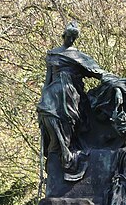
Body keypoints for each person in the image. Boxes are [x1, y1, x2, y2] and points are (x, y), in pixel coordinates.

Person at [38, 22, 108, 181]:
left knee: (68, 130)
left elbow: (99, 73)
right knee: (53, 130)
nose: (70, 39)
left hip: (71, 96)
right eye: (68, 36)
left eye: (73, 37)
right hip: (52, 94)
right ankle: (57, 166)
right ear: (63, 36)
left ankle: (67, 162)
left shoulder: (79, 57)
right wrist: (43, 98)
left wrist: (118, 82)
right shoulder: (52, 55)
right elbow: (47, 80)